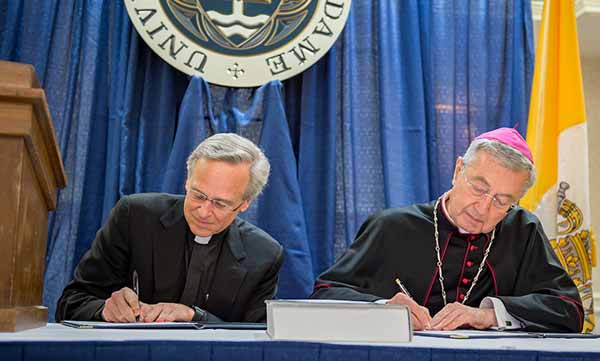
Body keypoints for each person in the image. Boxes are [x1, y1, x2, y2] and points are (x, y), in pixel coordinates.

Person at [311, 128, 583, 332]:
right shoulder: (392, 226)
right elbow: (324, 293)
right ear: (457, 171)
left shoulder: (522, 231)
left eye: (502, 201)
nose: (483, 208)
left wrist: (488, 314)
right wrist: (384, 308)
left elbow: (569, 310)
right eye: (479, 188)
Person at [56, 133, 284, 323]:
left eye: (220, 203)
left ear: (245, 203)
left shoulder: (264, 254)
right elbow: (71, 303)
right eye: (198, 195)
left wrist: (194, 316)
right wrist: (104, 309)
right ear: (187, 181)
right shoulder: (134, 216)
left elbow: (257, 336)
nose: (204, 211)